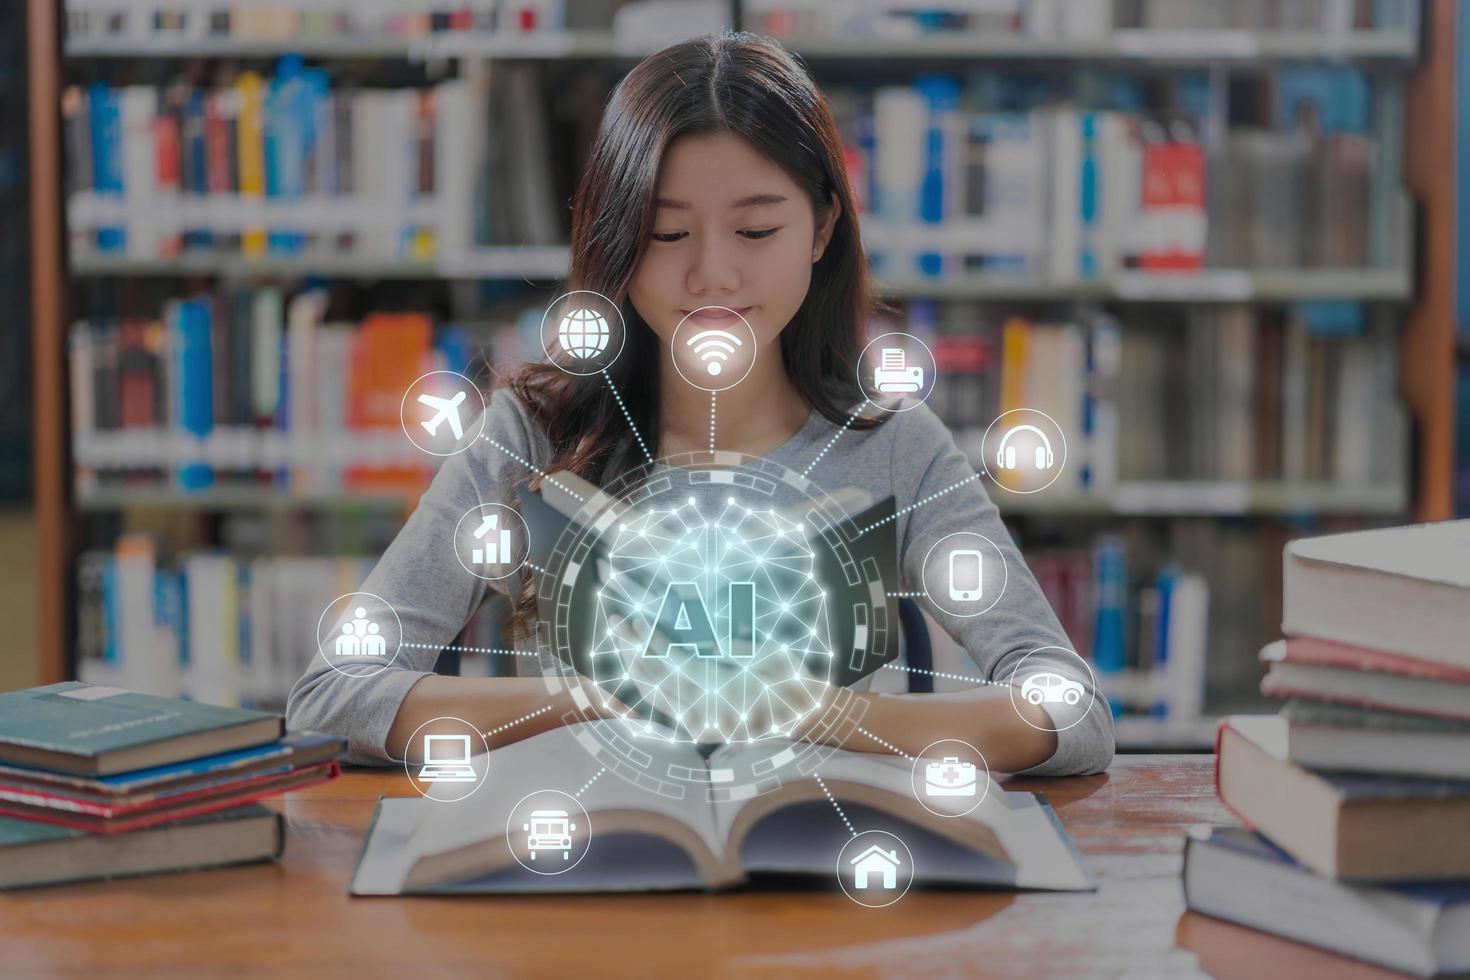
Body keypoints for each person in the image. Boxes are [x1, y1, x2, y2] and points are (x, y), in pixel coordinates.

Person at [287, 31, 1113, 777]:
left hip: (820, 895)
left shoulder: (894, 441)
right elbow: (330, 696)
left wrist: (827, 715)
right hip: (575, 883)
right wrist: (598, 697)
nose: (711, 276)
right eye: (667, 234)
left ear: (823, 230)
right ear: (615, 238)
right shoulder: (529, 433)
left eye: (756, 233)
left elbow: (1072, 712)